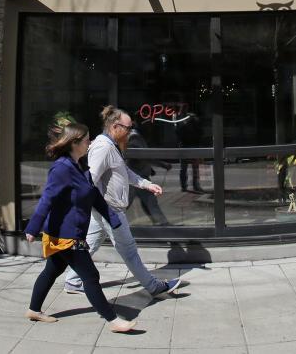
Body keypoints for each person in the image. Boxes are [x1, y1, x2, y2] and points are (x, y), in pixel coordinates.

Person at [24, 121, 136, 333]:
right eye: (86, 140)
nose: (90, 142)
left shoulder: (80, 165)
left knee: (52, 269)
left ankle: (34, 310)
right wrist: (32, 228)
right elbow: (47, 198)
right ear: (75, 143)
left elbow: (93, 194)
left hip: (71, 232)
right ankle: (112, 320)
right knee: (91, 276)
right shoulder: (62, 168)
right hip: (65, 235)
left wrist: (112, 218)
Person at [65, 106, 183, 299]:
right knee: (129, 252)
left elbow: (123, 172)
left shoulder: (111, 145)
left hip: (104, 209)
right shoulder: (104, 147)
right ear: (114, 126)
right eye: (127, 128)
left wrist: (146, 184)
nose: (130, 131)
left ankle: (72, 280)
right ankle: (154, 287)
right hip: (109, 209)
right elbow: (90, 180)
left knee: (89, 245)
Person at [126, 126, 170, 226]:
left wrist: (151, 169)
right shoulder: (135, 139)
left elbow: (142, 158)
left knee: (148, 202)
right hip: (137, 178)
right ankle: (164, 226)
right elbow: (145, 156)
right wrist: (163, 164)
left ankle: (161, 224)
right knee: (148, 202)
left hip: (136, 178)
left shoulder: (132, 138)